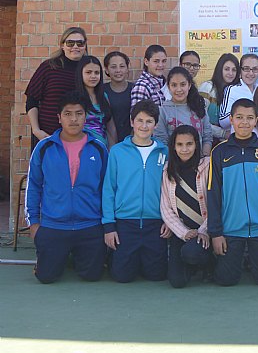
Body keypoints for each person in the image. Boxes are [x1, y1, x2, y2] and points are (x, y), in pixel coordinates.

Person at [25, 91, 108, 283]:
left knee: (92, 276)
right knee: (46, 277)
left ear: (85, 117)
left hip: (90, 224)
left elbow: (107, 188)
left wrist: (106, 224)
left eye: (79, 113)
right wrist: (34, 223)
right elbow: (34, 186)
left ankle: (78, 257)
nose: (74, 119)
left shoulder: (98, 147)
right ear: (59, 118)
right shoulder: (44, 147)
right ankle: (51, 258)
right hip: (54, 224)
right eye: (68, 114)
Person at [207, 98, 258, 286]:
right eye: (239, 117)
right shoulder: (219, 152)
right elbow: (213, 194)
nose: (244, 122)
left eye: (249, 118)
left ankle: (253, 261)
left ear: (256, 120)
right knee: (225, 281)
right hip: (231, 229)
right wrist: (216, 233)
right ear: (232, 120)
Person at [102, 100, 172, 283]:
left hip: (155, 223)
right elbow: (109, 189)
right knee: (122, 277)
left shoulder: (164, 152)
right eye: (139, 120)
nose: (144, 126)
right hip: (126, 222)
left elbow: (171, 190)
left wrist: (169, 220)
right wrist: (109, 226)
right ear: (132, 122)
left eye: (149, 121)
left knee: (156, 276)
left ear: (155, 125)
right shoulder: (117, 152)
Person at [160, 125, 214, 288]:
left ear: (196, 144)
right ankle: (193, 264)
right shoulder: (167, 171)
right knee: (177, 281)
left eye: (189, 144)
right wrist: (184, 233)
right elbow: (166, 208)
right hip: (183, 232)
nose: (184, 149)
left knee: (192, 252)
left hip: (207, 230)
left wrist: (203, 231)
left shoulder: (208, 166)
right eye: (180, 144)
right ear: (173, 146)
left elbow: (217, 203)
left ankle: (209, 263)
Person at [25, 26, 87, 149]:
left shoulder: (88, 70)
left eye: (80, 43)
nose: (75, 47)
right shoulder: (49, 67)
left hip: (78, 138)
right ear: (62, 45)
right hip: (47, 136)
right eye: (70, 43)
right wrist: (36, 130)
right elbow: (31, 101)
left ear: (85, 46)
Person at [155, 67, 213, 157]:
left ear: (189, 85)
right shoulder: (163, 111)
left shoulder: (199, 106)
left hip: (200, 163)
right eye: (174, 85)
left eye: (183, 84)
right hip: (174, 164)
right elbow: (162, 141)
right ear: (168, 87)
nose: (179, 89)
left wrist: (204, 158)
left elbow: (207, 136)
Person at [76, 55, 117, 147]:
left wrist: (113, 149)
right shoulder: (75, 98)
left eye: (97, 73)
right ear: (80, 73)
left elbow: (110, 126)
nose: (93, 76)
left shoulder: (104, 96)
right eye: (88, 72)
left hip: (103, 148)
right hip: (83, 149)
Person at [198, 53, 240, 142]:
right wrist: (223, 133)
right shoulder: (208, 88)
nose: (230, 73)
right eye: (226, 69)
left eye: (234, 70)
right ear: (219, 69)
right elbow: (199, 120)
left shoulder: (236, 91)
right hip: (208, 140)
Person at [218, 53, 258, 131]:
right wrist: (241, 113)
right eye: (246, 69)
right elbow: (222, 121)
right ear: (240, 71)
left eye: (255, 69)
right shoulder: (232, 89)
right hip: (239, 139)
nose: (251, 73)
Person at [104, 51, 133, 142]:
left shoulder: (136, 89)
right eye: (113, 67)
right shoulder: (101, 91)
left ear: (127, 68)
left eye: (122, 66)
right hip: (107, 142)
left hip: (132, 141)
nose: (118, 70)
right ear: (106, 69)